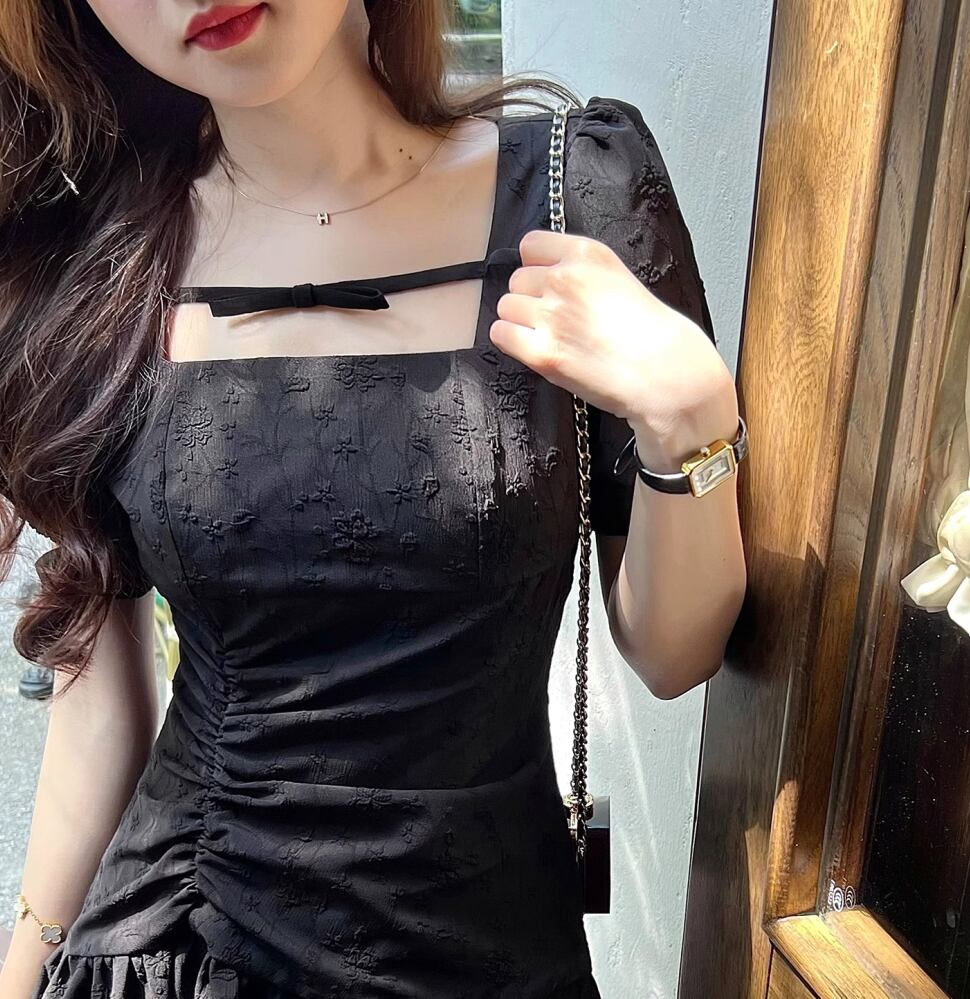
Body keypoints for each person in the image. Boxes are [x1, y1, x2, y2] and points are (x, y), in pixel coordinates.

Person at [0, 1, 747, 997]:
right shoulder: (108, 261)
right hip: (190, 939)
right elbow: (98, 683)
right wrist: (25, 963)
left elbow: (672, 653)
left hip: (492, 944)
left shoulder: (575, 193)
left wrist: (690, 414)